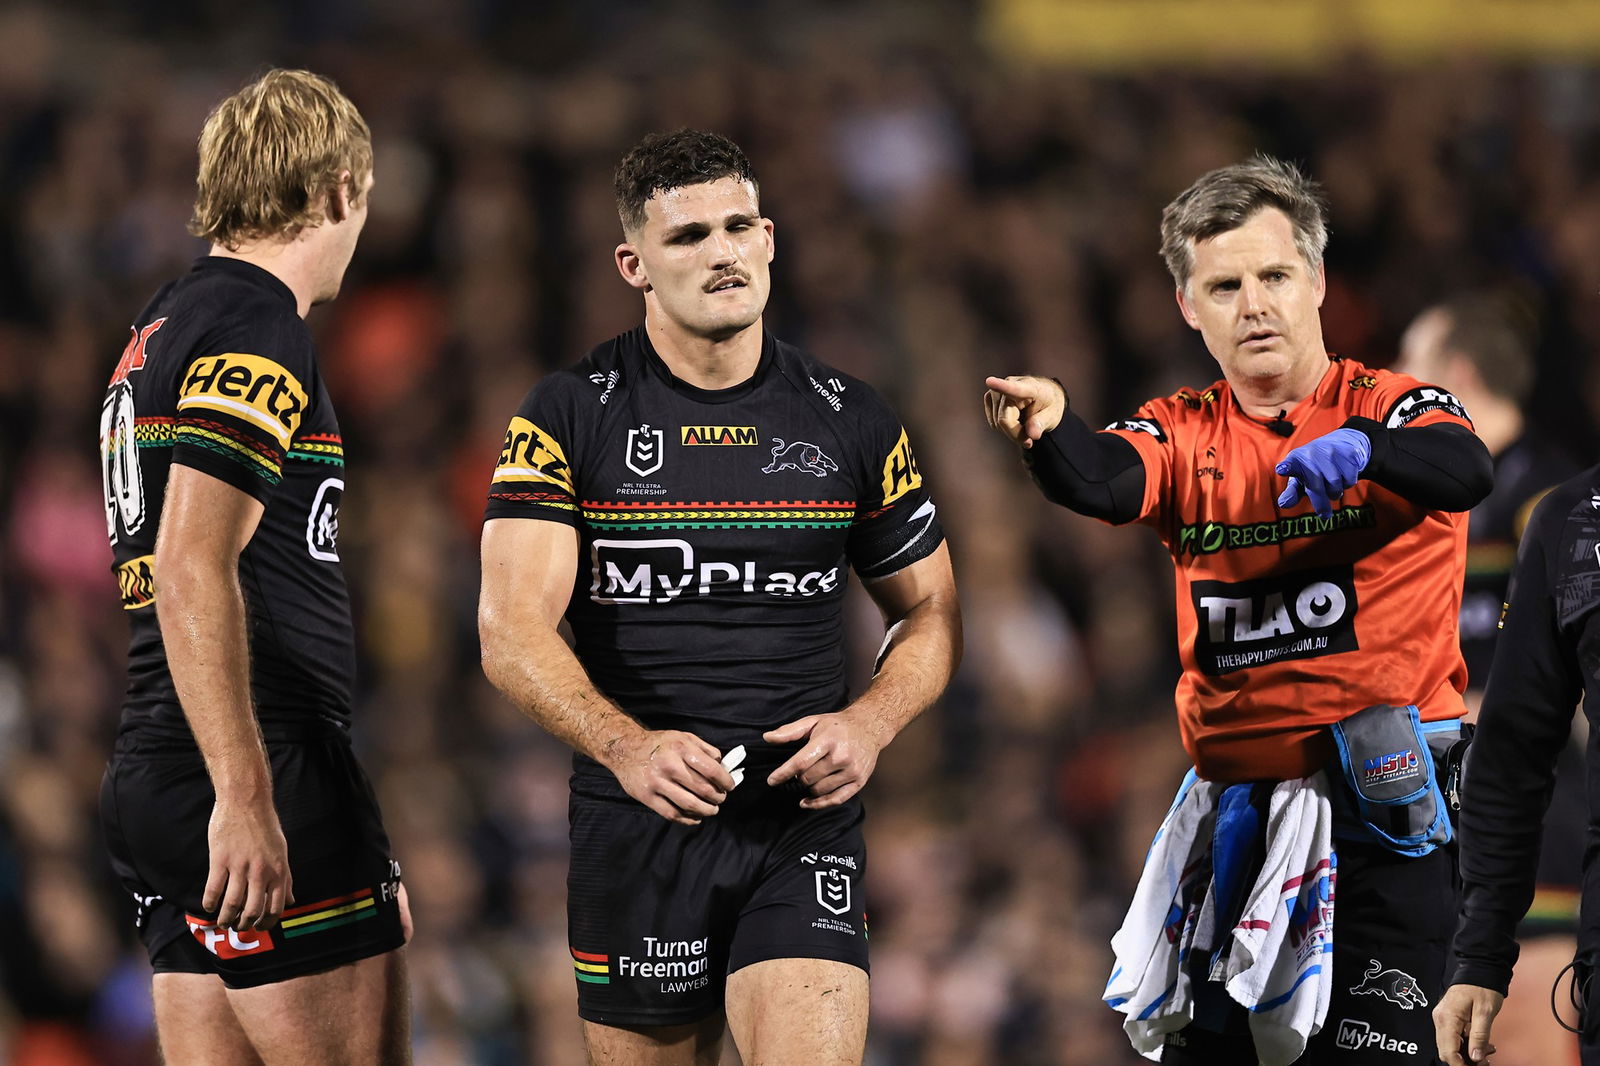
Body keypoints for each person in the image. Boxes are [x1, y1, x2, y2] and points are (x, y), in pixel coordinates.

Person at [984, 156, 1493, 1065]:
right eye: (1224, 285)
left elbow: (1467, 468)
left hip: (1387, 826)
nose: (1253, 304)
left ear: (1318, 283)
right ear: (1189, 307)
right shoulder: (1182, 429)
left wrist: (1369, 450)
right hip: (1238, 829)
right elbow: (1102, 481)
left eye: (1274, 276)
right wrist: (1052, 430)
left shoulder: (1394, 402)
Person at [477, 128, 960, 1066]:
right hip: (638, 826)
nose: (723, 251)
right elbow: (508, 629)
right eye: (689, 235)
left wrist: (870, 723)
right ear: (635, 264)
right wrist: (623, 744)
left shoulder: (850, 418)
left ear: (771, 239)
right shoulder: (569, 414)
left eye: (739, 226)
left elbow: (931, 610)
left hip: (798, 828)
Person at [97, 69, 410, 1065]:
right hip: (254, 757)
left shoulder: (159, 328)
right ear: (337, 189)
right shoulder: (257, 326)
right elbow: (191, 563)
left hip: (155, 760)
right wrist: (247, 789)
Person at [1399, 296, 1582, 1065]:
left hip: (1537, 825)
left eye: (1410, 370)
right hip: (1438, 831)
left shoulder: (1547, 498)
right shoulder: (1425, 508)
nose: (1393, 391)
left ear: (1458, 376)